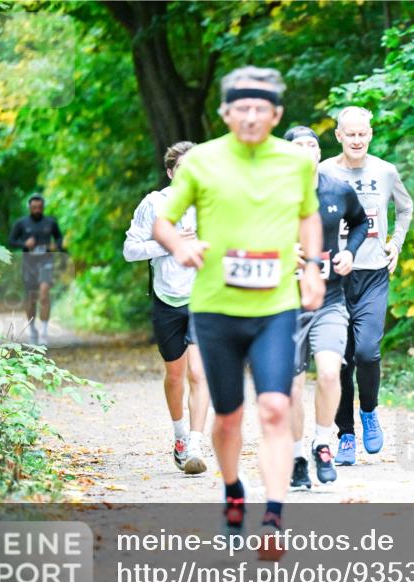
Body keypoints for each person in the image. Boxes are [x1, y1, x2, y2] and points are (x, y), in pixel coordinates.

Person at [151, 66, 324, 556]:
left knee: (274, 406)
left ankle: (272, 517)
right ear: (226, 113)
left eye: (261, 109)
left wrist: (310, 266)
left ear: (277, 114)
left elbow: (308, 216)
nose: (251, 117)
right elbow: (163, 220)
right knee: (228, 418)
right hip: (215, 307)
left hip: (274, 307)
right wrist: (177, 246)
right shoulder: (204, 162)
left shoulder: (293, 163)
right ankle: (232, 491)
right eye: (241, 108)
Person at [319, 106, 414, 465]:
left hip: (373, 273)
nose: (357, 140)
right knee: (341, 361)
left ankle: (369, 412)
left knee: (367, 353)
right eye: (350, 134)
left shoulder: (385, 171)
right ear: (339, 136)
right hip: (334, 277)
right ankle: (345, 434)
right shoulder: (323, 172)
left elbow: (405, 209)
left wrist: (396, 244)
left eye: (363, 134)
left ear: (370, 135)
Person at [283, 126, 369, 489]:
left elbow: (361, 221)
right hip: (283, 304)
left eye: (312, 145)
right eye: (298, 146)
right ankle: (297, 457)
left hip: (330, 299)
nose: (306, 150)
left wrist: (350, 251)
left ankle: (322, 443)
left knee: (331, 373)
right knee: (291, 387)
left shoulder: (337, 189)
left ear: (320, 152)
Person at [123, 141, 210, 476]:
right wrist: (169, 244)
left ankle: (196, 445)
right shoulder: (154, 204)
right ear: (172, 172)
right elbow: (130, 250)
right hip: (167, 298)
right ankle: (179, 435)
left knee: (198, 373)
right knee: (175, 375)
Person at [8, 194, 64, 346]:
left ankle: (44, 332)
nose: (37, 210)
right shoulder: (21, 223)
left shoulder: (51, 222)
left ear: (43, 207)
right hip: (29, 264)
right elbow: (11, 241)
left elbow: (59, 239)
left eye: (39, 207)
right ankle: (33, 330)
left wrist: (55, 246)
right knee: (31, 299)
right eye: (34, 207)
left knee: (44, 294)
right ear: (30, 208)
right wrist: (25, 244)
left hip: (46, 261)